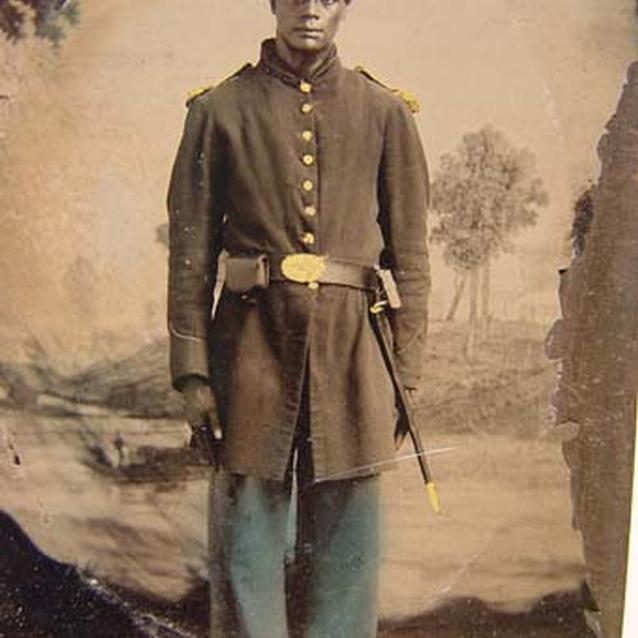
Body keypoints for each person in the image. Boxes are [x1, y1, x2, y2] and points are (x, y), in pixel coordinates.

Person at [166, 1, 430, 636]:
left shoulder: (385, 113)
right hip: (248, 353)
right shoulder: (218, 111)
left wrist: (408, 375)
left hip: (354, 356)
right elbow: (190, 258)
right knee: (246, 544)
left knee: (348, 549)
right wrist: (193, 375)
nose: (310, 7)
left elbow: (412, 258)